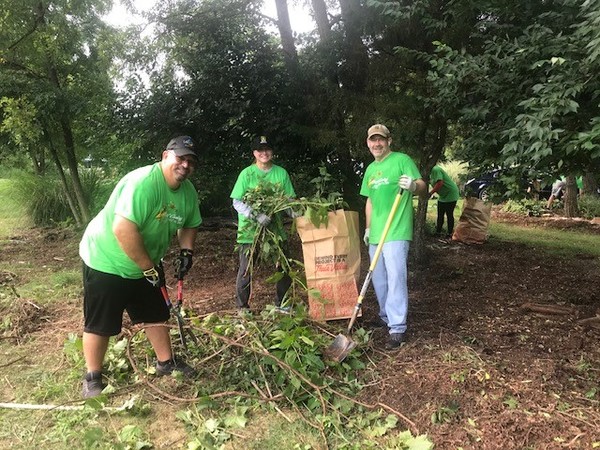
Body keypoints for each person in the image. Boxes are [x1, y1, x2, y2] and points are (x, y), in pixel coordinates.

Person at [79, 135, 202, 398]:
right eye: (181, 158)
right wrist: (149, 268)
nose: (185, 165)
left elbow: (190, 222)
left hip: (145, 261)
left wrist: (186, 251)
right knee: (100, 323)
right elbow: (123, 228)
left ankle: (166, 363)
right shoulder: (143, 183)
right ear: (165, 156)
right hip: (106, 259)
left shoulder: (188, 192)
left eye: (191, 161)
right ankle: (92, 377)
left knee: (155, 313)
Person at [361, 124, 427, 350]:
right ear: (368, 143)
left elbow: (422, 186)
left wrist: (412, 186)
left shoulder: (402, 160)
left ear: (389, 141)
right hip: (377, 232)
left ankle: (397, 327)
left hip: (396, 230)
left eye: (380, 140)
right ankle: (385, 317)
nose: (376, 144)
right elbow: (369, 201)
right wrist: (368, 228)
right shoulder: (370, 169)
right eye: (372, 140)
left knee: (396, 277)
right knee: (378, 278)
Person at [230, 135, 296, 313]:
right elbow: (236, 201)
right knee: (246, 269)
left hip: (275, 229)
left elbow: (288, 200)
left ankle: (283, 304)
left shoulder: (281, 173)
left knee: (284, 265)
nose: (264, 153)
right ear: (254, 153)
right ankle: (242, 308)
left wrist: (295, 212)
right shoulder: (247, 174)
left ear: (272, 152)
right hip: (250, 231)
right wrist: (254, 214)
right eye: (260, 150)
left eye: (267, 149)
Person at [428, 165, 460, 238]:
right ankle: (438, 232)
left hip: (451, 193)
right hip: (442, 195)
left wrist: (430, 193)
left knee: (449, 214)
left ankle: (449, 233)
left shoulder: (435, 169)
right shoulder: (427, 172)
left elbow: (440, 183)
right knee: (440, 214)